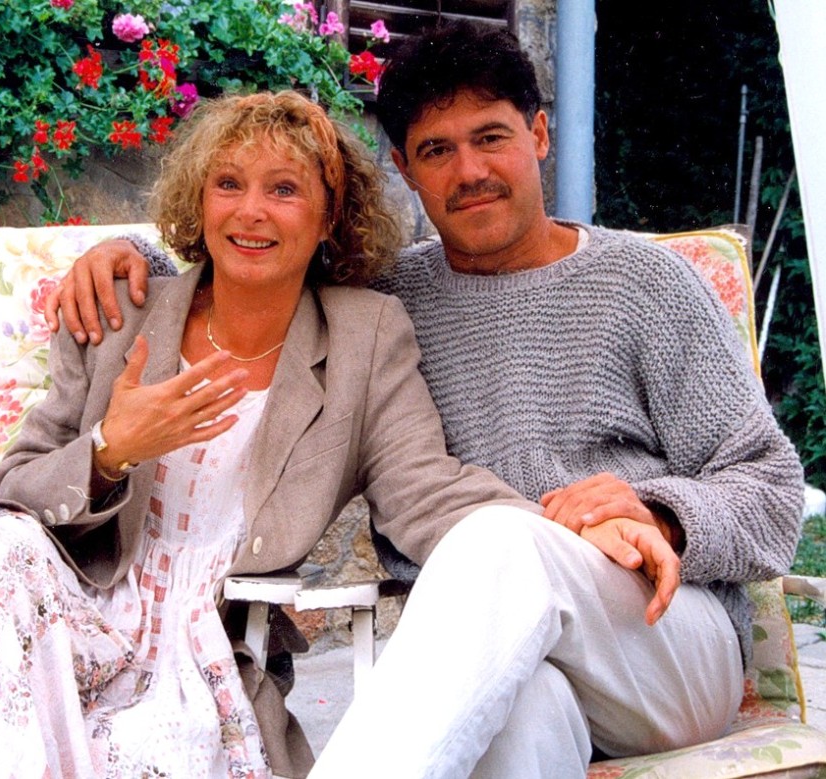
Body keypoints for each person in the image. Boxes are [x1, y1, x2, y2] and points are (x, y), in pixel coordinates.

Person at [46, 22, 806, 779]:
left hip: (659, 636)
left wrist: (660, 513)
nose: (469, 170)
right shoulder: (384, 303)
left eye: (491, 138)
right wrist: (127, 258)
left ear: (540, 135)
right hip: (491, 655)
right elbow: (259, 264)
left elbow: (773, 490)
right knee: (514, 723)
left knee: (500, 540)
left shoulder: (648, 285)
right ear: (407, 170)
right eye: (438, 151)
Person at [0, 91, 543, 778]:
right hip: (58, 604)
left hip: (196, 642)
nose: (250, 211)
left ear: (330, 217)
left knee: (137, 744)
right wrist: (110, 450)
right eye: (228, 184)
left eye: (284, 189)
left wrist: (560, 526)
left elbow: (423, 491)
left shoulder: (366, 334)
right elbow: (16, 488)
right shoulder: (122, 310)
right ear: (200, 202)